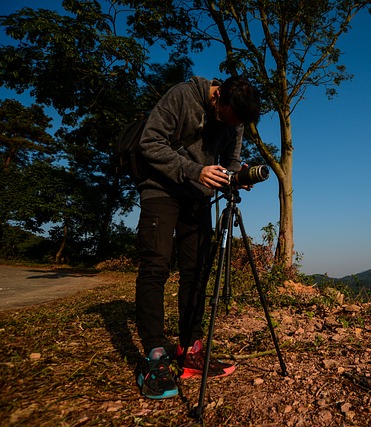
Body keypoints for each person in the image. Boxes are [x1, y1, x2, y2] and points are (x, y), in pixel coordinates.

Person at [133, 75, 261, 399]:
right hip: (160, 188)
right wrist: (195, 170)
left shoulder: (237, 120)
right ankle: (155, 359)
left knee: (197, 271)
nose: (231, 126)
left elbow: (230, 163)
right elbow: (149, 143)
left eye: (237, 124)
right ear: (218, 97)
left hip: (197, 196)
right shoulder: (182, 96)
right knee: (156, 267)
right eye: (227, 118)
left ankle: (191, 350)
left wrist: (236, 177)